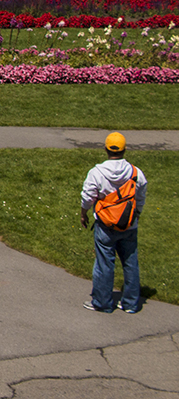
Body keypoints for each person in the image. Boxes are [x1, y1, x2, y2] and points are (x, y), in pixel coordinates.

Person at [80, 132, 147, 313]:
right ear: (125, 150)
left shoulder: (97, 173)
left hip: (105, 225)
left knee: (104, 264)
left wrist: (83, 213)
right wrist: (137, 214)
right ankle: (131, 304)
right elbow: (140, 197)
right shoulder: (135, 173)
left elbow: (87, 197)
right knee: (130, 263)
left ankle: (102, 303)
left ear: (106, 149)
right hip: (129, 225)